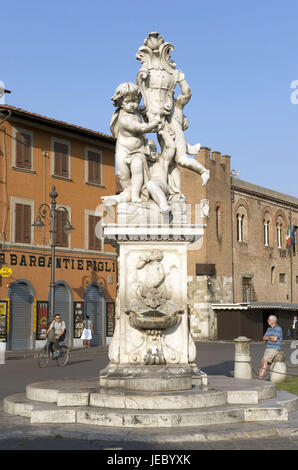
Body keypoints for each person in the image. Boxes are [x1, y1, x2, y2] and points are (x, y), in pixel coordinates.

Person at [105, 81, 162, 205]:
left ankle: (135, 195)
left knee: (137, 168)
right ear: (120, 102)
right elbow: (140, 128)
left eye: (135, 101)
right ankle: (127, 193)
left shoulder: (136, 112)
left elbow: (146, 110)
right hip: (123, 149)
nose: (132, 105)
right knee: (123, 175)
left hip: (138, 150)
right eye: (127, 102)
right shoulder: (123, 118)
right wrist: (154, 123)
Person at [258, 315, 283, 380]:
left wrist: (268, 337)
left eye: (269, 320)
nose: (267, 321)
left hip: (274, 348)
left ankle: (260, 377)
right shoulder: (269, 328)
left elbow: (275, 339)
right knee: (263, 361)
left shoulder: (278, 328)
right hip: (268, 347)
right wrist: (270, 337)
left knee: (265, 360)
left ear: (273, 321)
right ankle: (259, 376)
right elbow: (264, 338)